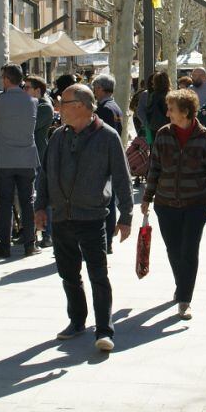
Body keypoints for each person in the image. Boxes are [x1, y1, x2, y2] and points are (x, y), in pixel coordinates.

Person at [34, 84, 132, 352]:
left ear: (79, 106)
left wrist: (126, 216)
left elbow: (123, 178)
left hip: (91, 217)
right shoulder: (57, 137)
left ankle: (104, 330)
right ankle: (77, 320)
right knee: (68, 274)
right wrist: (40, 206)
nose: (58, 107)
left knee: (97, 274)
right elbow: (44, 174)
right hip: (62, 216)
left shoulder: (108, 137)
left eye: (63, 103)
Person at [142, 88, 206, 320]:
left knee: (189, 250)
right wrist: (147, 197)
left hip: (196, 202)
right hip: (165, 202)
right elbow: (154, 168)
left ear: (185, 112)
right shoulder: (163, 134)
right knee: (174, 249)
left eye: (171, 109)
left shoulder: (205, 137)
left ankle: (184, 299)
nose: (168, 113)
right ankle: (181, 284)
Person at [0, 64, 41, 259]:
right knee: (27, 201)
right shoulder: (33, 102)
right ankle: (29, 244)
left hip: (4, 159)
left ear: (7, 80)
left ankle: (5, 246)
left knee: (5, 203)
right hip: (27, 158)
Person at [92, 74, 124, 252]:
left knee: (106, 201)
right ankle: (108, 240)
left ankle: (106, 240)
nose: (94, 91)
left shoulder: (104, 109)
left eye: (95, 87)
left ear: (100, 88)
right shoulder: (115, 107)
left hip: (104, 158)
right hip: (111, 157)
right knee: (109, 199)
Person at [25, 75, 55, 248]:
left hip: (39, 157)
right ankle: (29, 232)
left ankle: (48, 233)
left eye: (27, 87)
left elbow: (29, 125)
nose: (24, 91)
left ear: (37, 90)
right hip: (28, 156)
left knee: (43, 197)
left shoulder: (44, 107)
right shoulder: (31, 104)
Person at [146, 71, 171, 138]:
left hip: (153, 127)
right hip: (167, 127)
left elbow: (148, 111)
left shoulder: (152, 95)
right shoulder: (169, 96)